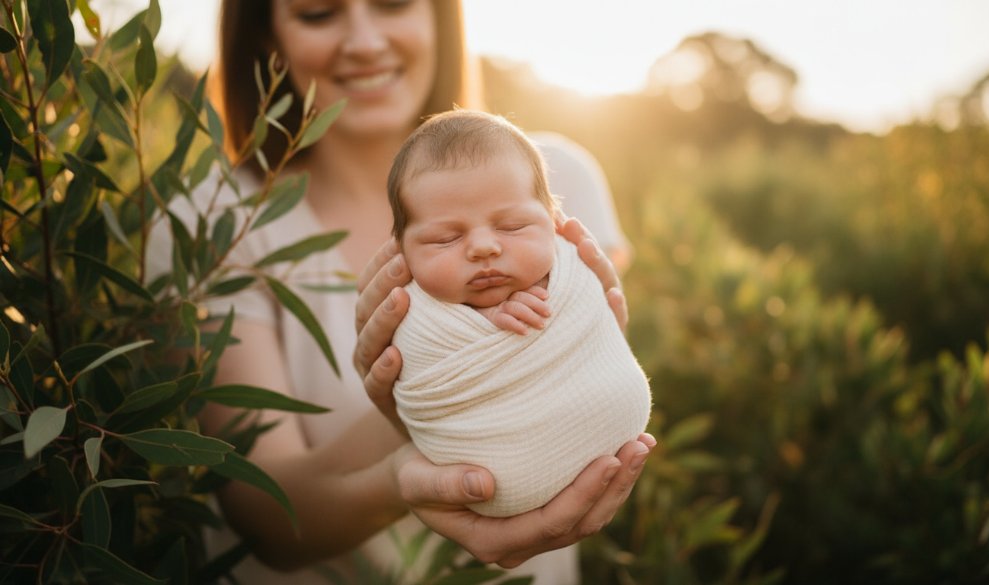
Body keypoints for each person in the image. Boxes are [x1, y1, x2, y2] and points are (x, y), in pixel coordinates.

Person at [149, 1, 656, 583]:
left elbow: (591, 403)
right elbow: (265, 517)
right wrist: (409, 445)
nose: (364, 41)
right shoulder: (210, 225)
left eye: (392, 3)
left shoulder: (554, 177)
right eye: (318, 12)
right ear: (266, 37)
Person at [387, 109, 652, 518]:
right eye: (446, 237)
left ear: (553, 222)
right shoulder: (405, 302)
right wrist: (485, 321)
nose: (482, 247)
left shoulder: (568, 262)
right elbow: (418, 346)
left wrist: (562, 302)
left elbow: (590, 317)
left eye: (511, 226)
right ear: (401, 250)